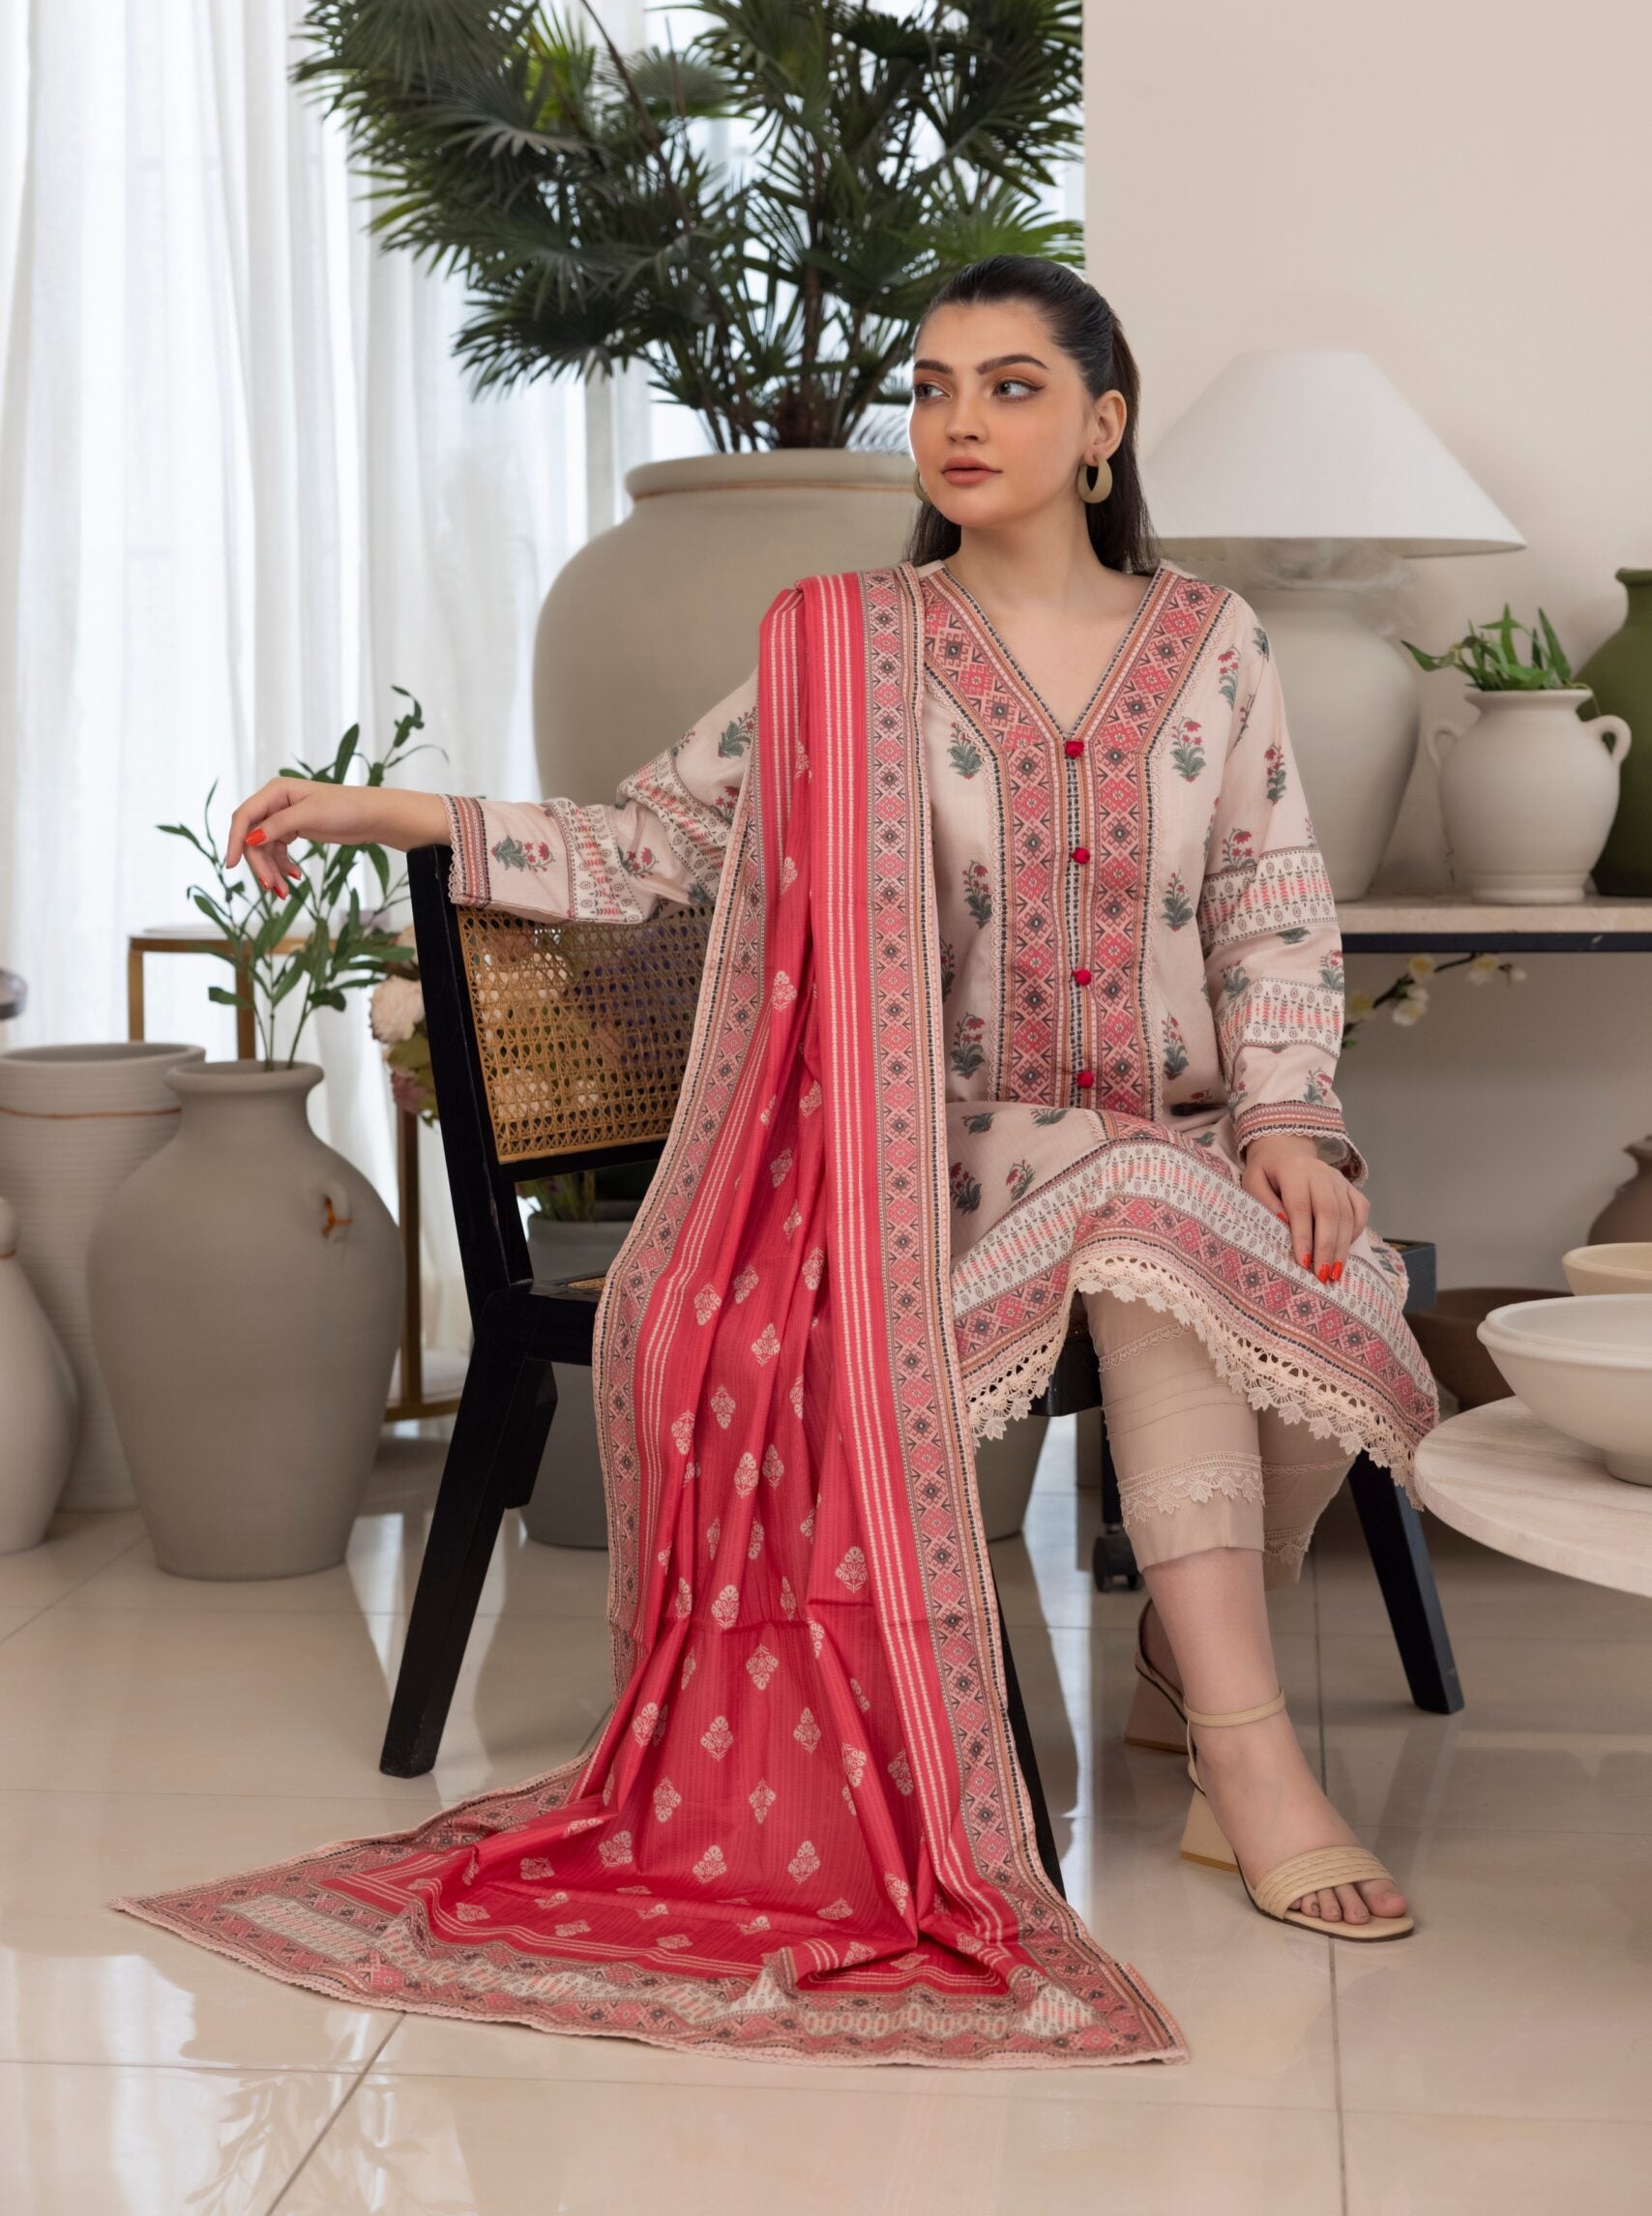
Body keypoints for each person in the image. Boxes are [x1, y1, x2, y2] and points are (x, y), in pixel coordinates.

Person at [115, 258, 1437, 2067]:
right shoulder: (850, 649)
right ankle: (1250, 1755)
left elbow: (1270, 902)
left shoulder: (1215, 642)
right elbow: (650, 841)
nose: (959, 419)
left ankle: (1189, 1678)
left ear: (1104, 427)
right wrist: (393, 812)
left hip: (1186, 1137)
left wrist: (1288, 1116)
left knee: (1251, 1230)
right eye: (934, 385)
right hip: (933, 1174)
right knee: (1152, 1222)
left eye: (1012, 386)